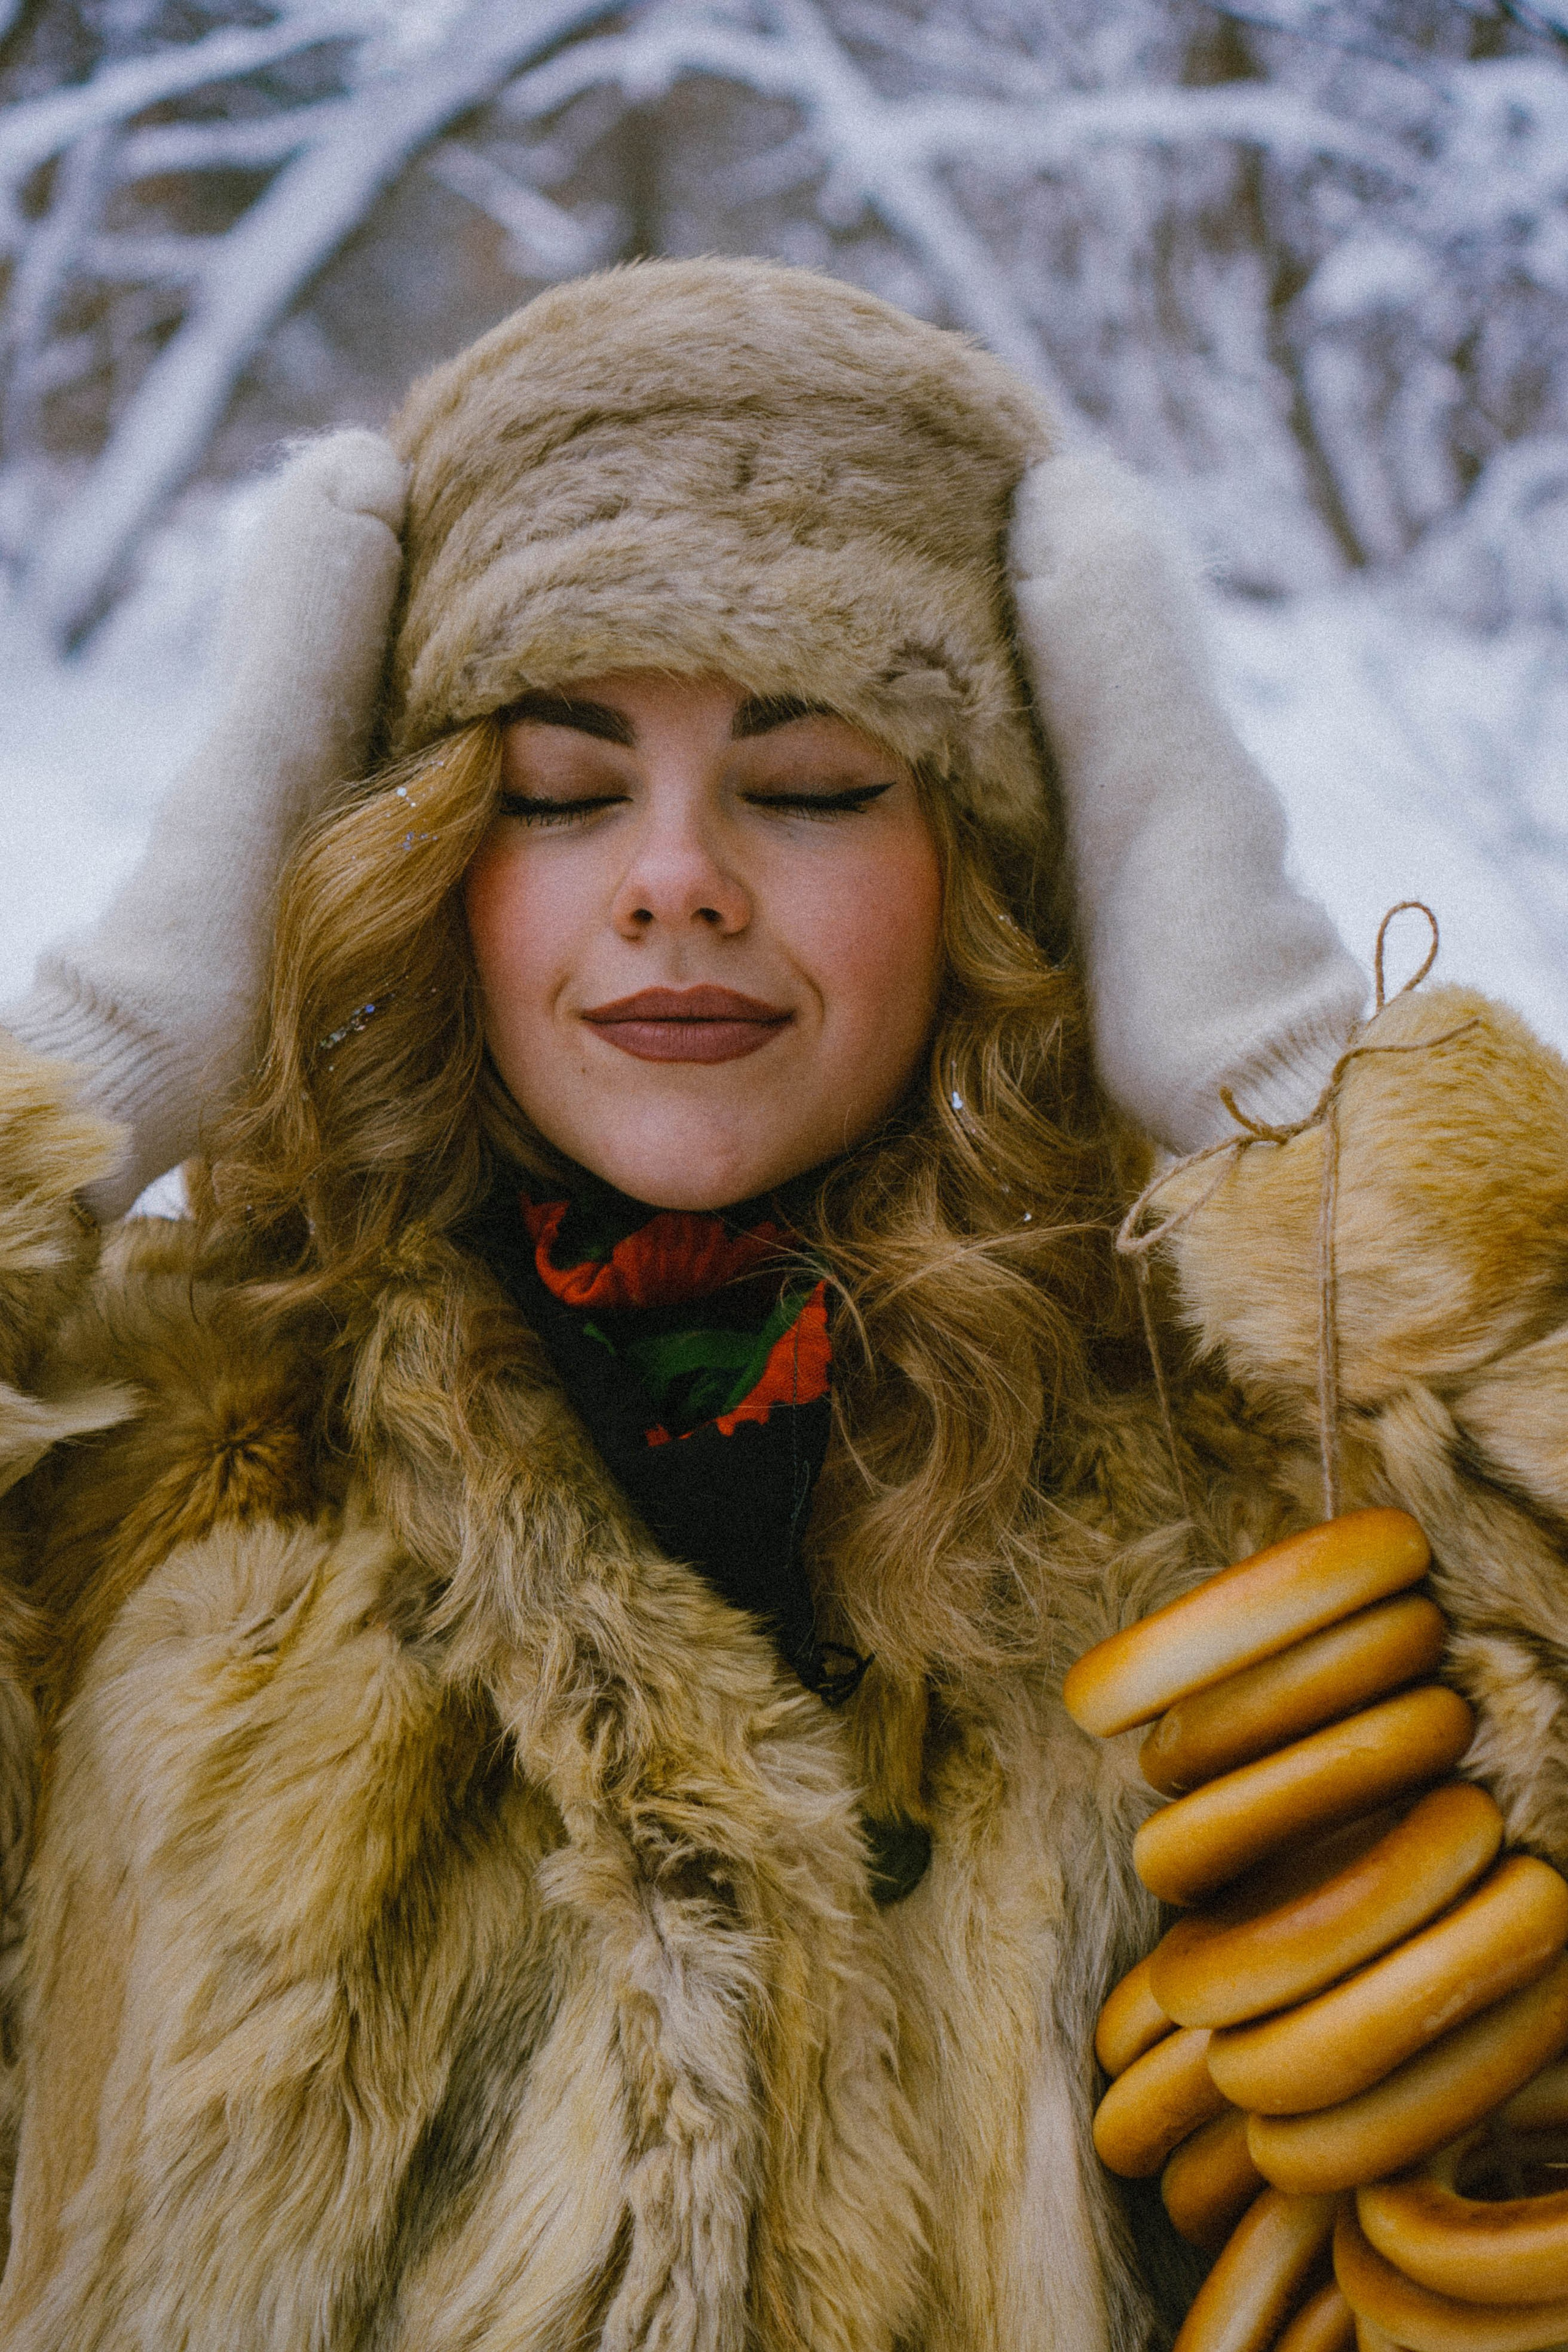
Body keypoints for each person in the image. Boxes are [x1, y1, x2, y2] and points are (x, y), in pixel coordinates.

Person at [0, 257, 1564, 2351]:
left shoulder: (1267, 1483)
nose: (678, 877)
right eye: (556, 791)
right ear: (417, 858)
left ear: (993, 869)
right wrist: (95, 1079)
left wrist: (1296, 1100)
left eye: (814, 781)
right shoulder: (150, 1473)